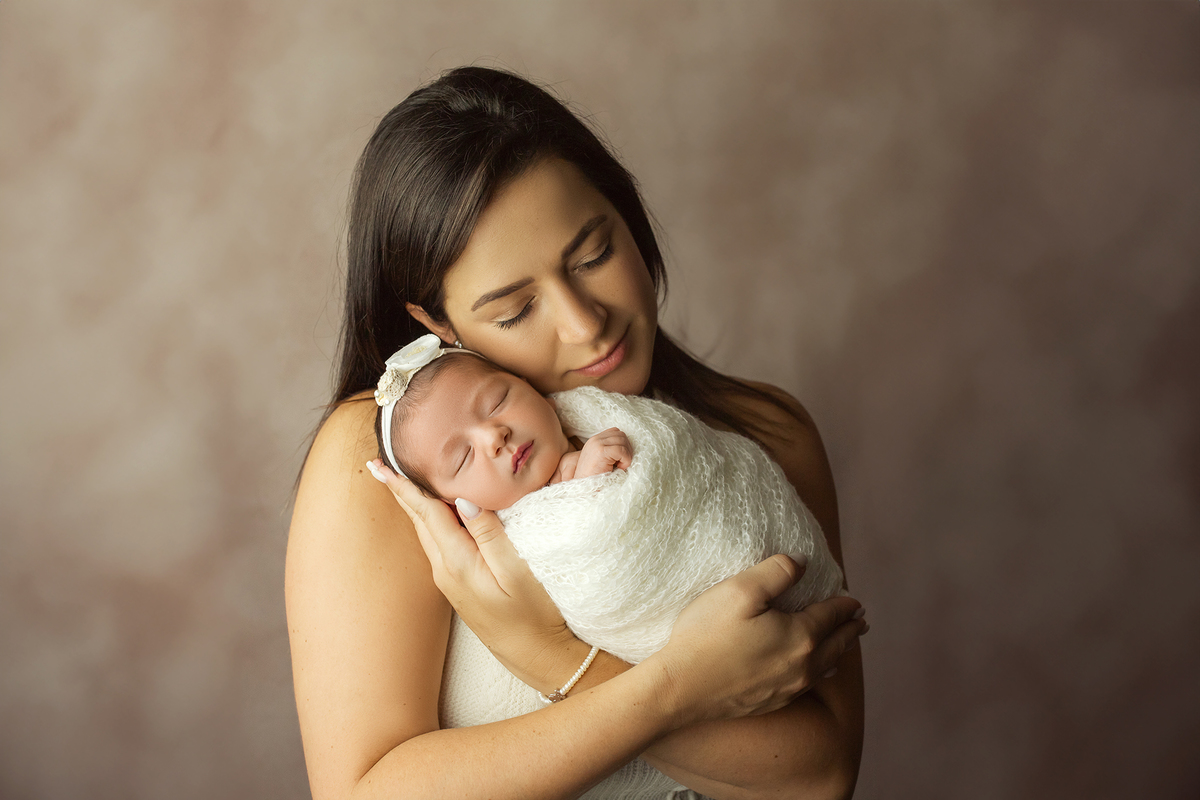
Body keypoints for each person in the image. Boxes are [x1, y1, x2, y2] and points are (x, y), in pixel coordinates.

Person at [286, 66, 868, 799]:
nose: (584, 323)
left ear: (628, 215)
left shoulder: (766, 435)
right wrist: (669, 688)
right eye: (512, 310)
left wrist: (555, 653)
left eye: (593, 255)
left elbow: (819, 778)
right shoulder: (384, 471)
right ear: (436, 327)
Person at [365, 333, 848, 669]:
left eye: (497, 401)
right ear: (453, 508)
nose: (495, 435)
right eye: (463, 456)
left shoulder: (585, 425)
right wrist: (590, 481)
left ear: (535, 389)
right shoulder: (515, 531)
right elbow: (580, 532)